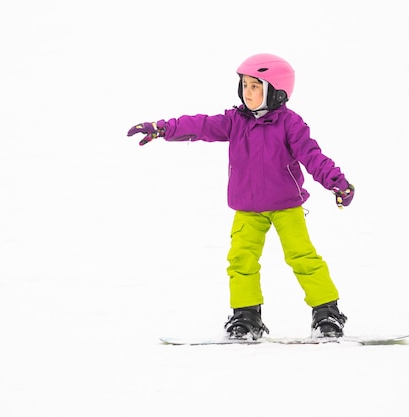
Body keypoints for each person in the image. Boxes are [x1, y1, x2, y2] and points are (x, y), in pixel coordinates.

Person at [127, 53, 354, 340]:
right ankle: (246, 317)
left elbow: (312, 156)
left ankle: (327, 313)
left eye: (256, 86)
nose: (248, 92)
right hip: (248, 208)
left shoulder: (290, 124)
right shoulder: (235, 121)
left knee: (302, 256)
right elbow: (201, 126)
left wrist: (336, 182)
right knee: (241, 260)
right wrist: (163, 128)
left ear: (276, 91)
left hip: (286, 205)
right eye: (245, 85)